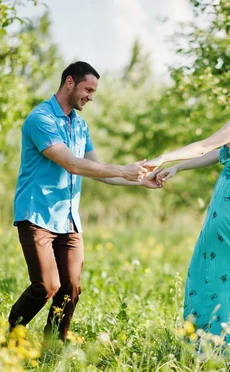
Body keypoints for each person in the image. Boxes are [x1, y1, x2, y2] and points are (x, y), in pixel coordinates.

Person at [10, 61, 160, 341]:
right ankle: (14, 328)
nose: (91, 96)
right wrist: (123, 169)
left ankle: (54, 341)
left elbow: (96, 170)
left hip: (68, 220)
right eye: (88, 89)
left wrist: (139, 180)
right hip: (37, 215)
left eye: (94, 91)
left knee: (71, 287)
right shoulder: (40, 119)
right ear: (70, 82)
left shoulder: (80, 126)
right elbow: (72, 164)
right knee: (47, 285)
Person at [144, 71, 230, 356]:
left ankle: (209, 347)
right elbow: (217, 154)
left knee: (212, 273)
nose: (229, 95)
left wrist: (164, 157)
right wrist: (179, 167)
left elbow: (206, 145)